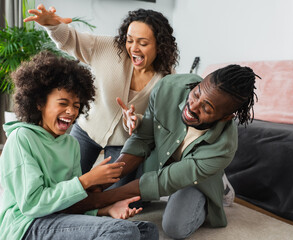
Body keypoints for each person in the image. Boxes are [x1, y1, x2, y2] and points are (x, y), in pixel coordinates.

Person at [58, 64, 260, 239]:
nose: (193, 106)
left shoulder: (223, 148)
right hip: (163, 157)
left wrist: (97, 200)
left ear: (225, 118)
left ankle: (216, 183)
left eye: (206, 109)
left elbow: (164, 181)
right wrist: (104, 181)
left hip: (193, 177)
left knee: (175, 227)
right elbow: (143, 139)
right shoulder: (169, 87)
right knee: (116, 194)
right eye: (197, 93)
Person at [0, 51, 158, 240]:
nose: (71, 111)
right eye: (63, 103)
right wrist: (86, 181)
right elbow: (33, 204)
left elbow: (70, 204)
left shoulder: (70, 144)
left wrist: (106, 211)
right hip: (26, 225)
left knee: (147, 230)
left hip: (57, 219)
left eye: (76, 105)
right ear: (39, 103)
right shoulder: (22, 139)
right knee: (123, 232)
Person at [24, 4, 179, 177]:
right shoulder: (108, 48)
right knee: (65, 182)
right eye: (129, 40)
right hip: (87, 130)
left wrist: (138, 121)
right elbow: (71, 40)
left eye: (143, 43)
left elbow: (159, 120)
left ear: (160, 45)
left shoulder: (167, 77)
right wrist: (52, 26)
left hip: (125, 143)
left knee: (115, 196)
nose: (134, 48)